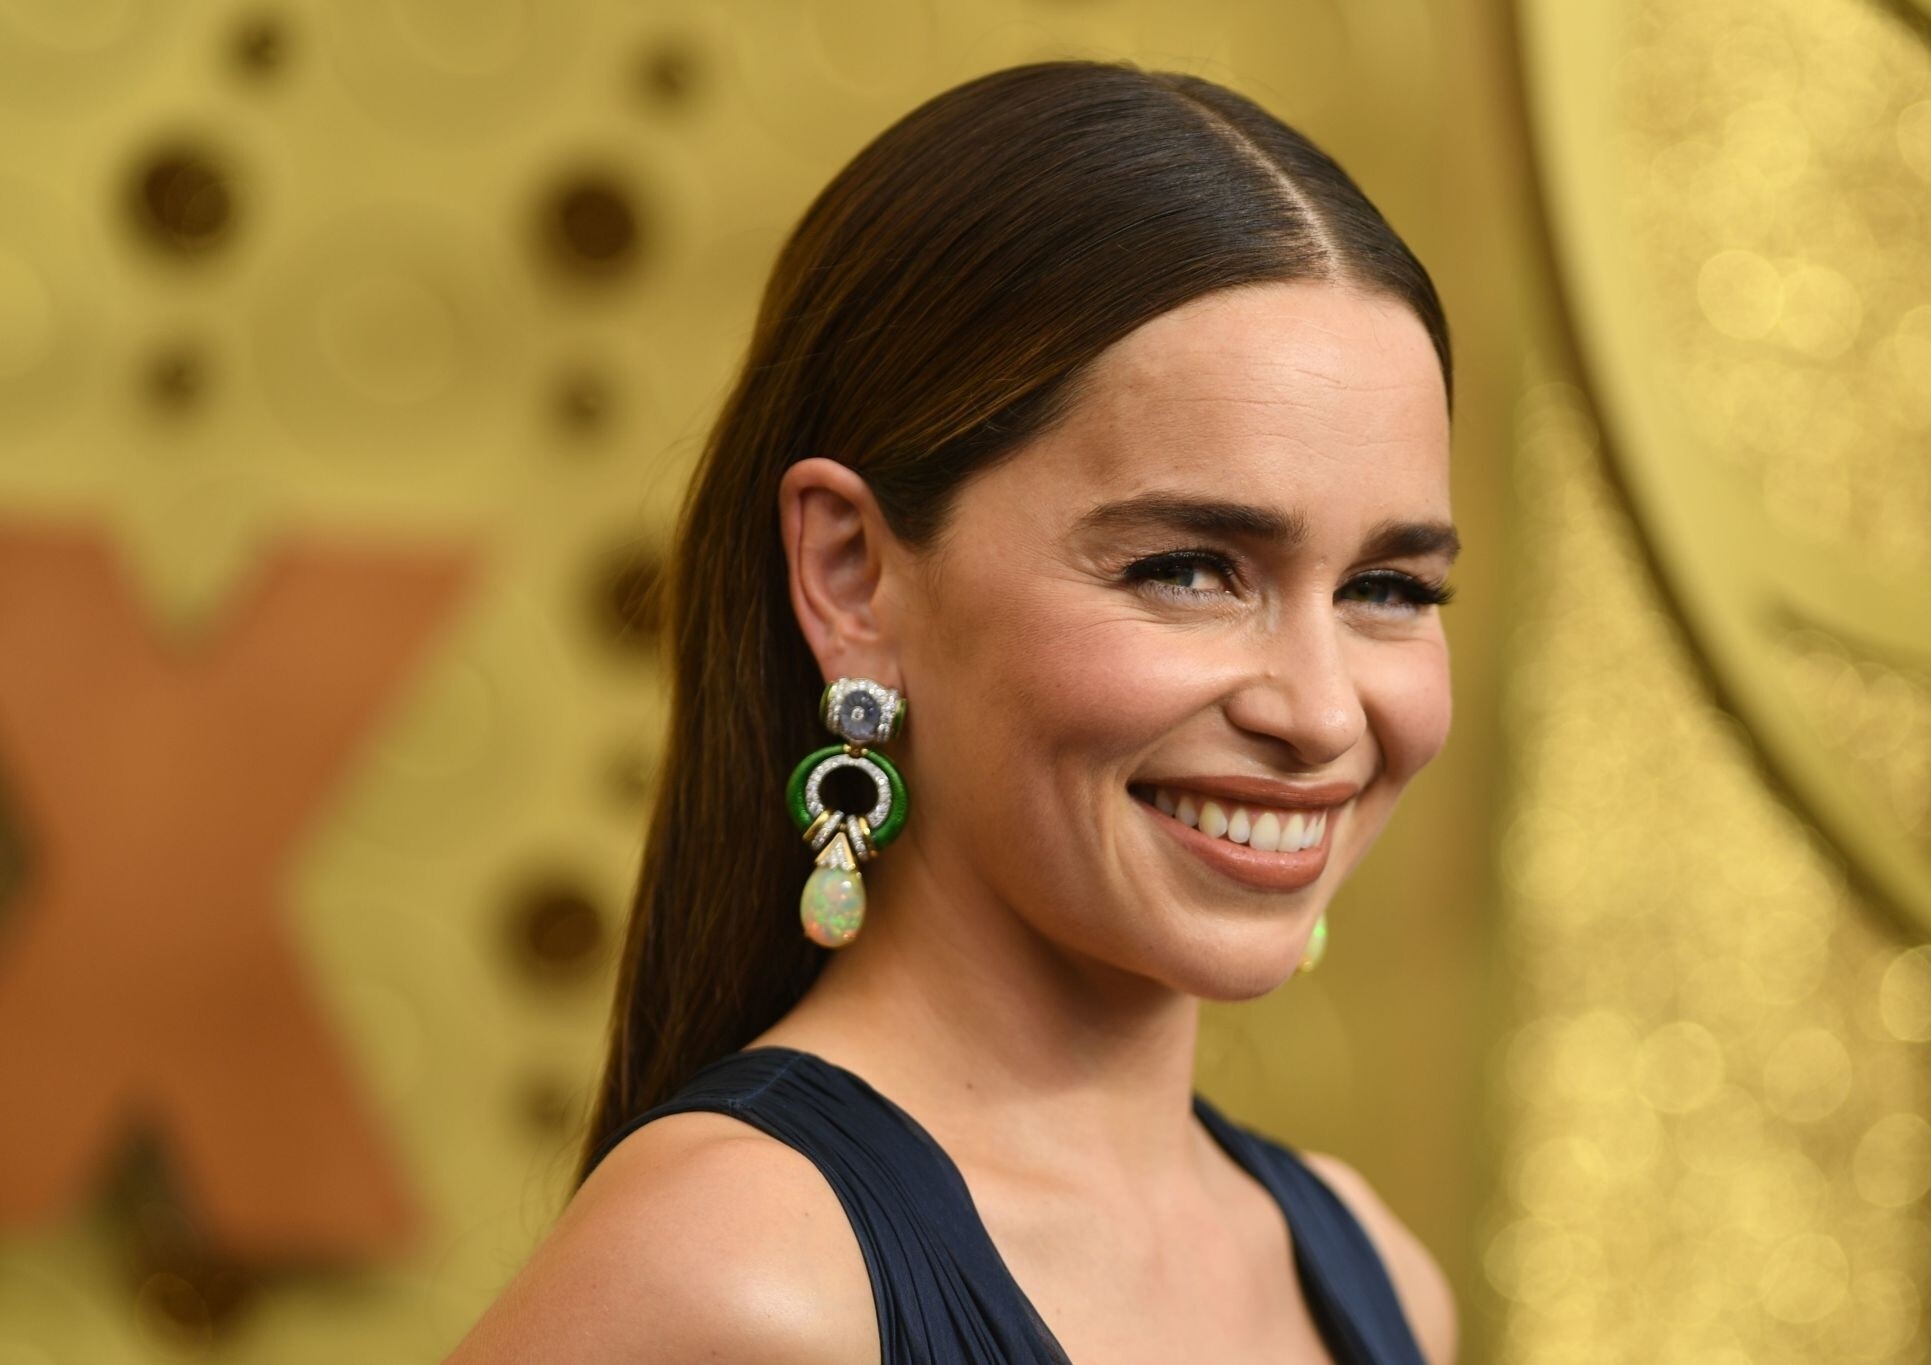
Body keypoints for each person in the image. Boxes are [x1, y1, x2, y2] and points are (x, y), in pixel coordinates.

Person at [449, 57, 1461, 1364]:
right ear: (852, 574)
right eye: (1187, 569)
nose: (1321, 713)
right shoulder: (734, 1279)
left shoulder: (1380, 1274)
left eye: (1388, 587)